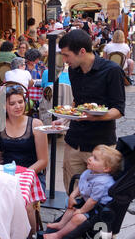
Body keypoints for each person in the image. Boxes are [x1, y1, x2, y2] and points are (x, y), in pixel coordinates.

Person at [53, 29, 125, 191]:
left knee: (97, 194)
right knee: (72, 190)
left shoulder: (111, 70)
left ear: (82, 52)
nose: (64, 60)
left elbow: (118, 110)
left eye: (66, 55)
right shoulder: (73, 70)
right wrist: (65, 118)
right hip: (74, 143)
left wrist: (94, 117)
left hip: (101, 146)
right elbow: (78, 102)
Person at [44, 145, 122, 239]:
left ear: (106, 169)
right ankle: (61, 224)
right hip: (87, 202)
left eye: (95, 159)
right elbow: (81, 186)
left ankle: (59, 235)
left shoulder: (102, 182)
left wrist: (81, 211)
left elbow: (93, 201)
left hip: (98, 208)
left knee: (78, 218)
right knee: (71, 207)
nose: (89, 159)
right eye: (92, 156)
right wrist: (72, 196)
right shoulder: (90, 172)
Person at [0, 84, 48, 191]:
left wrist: (23, 176)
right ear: (3, 106)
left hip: (31, 174)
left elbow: (43, 161)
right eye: (12, 103)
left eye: (20, 102)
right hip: (5, 175)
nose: (18, 106)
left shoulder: (36, 124)